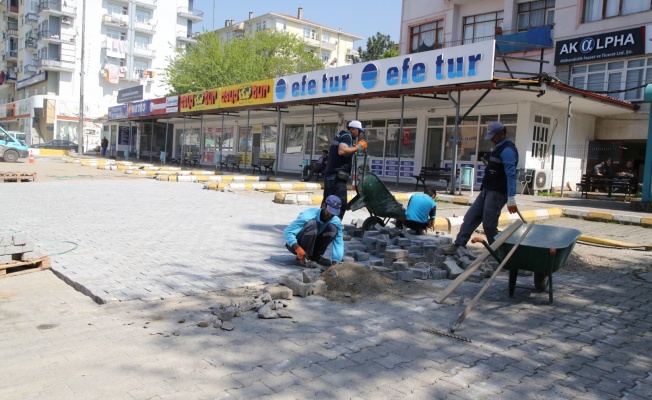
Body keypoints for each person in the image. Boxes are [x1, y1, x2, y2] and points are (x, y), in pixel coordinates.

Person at [448, 121, 519, 248]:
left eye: (494, 136)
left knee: (489, 224)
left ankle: (498, 251)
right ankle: (459, 244)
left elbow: (511, 174)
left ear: (502, 134)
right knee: (471, 217)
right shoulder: (499, 147)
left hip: (497, 192)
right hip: (487, 189)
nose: (491, 139)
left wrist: (512, 198)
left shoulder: (508, 150)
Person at [322, 120, 368, 220]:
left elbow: (343, 150)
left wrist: (352, 148)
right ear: (352, 129)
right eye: (358, 131)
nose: (359, 134)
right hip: (337, 177)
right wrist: (358, 148)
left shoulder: (340, 135)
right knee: (340, 204)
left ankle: (322, 227)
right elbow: (342, 150)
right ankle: (335, 230)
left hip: (330, 175)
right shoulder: (347, 136)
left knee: (327, 203)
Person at [284, 195, 344, 267]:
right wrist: (297, 248)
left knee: (333, 229)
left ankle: (314, 256)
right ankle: (303, 258)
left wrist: (336, 262)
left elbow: (339, 242)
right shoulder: (307, 215)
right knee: (313, 224)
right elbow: (288, 232)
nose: (330, 215)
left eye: (333, 213)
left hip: (313, 244)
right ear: (323, 206)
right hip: (296, 245)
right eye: (329, 211)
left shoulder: (336, 221)